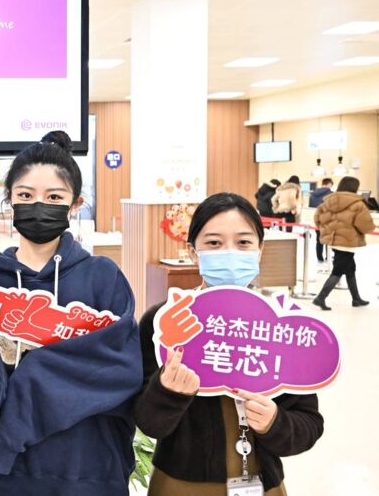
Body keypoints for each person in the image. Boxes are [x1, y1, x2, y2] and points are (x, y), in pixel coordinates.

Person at [0, 131, 142, 496]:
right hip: (9, 474)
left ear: (75, 204)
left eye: (54, 197)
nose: (39, 205)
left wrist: (32, 370)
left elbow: (120, 373)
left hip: (93, 470)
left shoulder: (104, 277)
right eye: (25, 195)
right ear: (10, 201)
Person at [135, 192, 324, 495]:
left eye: (244, 242)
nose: (229, 252)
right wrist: (167, 393)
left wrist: (275, 422)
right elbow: (148, 423)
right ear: (193, 252)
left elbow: (309, 426)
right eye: (213, 243)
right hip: (178, 484)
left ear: (260, 250)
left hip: (263, 484)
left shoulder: (284, 327)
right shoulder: (163, 323)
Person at [312, 176, 376, 310]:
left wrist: (327, 230)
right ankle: (320, 298)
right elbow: (365, 225)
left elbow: (317, 219)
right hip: (348, 241)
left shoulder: (327, 201)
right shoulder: (358, 203)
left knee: (350, 269)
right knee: (338, 271)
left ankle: (356, 299)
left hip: (334, 240)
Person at [308, 178, 334, 262]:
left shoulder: (313, 194)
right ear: (329, 184)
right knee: (328, 238)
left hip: (317, 219)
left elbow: (311, 207)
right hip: (327, 220)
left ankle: (319, 258)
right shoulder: (331, 194)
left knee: (319, 239)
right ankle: (328, 257)